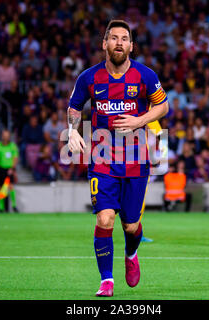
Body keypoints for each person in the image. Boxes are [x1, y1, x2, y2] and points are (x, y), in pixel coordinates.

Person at [67, 20, 169, 297]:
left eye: (125, 38)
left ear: (131, 46)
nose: (119, 43)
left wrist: (140, 120)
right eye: (114, 38)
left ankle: (132, 253)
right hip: (102, 158)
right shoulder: (88, 77)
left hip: (137, 160)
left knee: (131, 225)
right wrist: (72, 131)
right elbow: (74, 107)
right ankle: (106, 280)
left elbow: (163, 105)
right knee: (104, 219)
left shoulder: (145, 76)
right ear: (105, 44)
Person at [0, 130, 19, 213]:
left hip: (9, 169)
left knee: (10, 186)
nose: (6, 137)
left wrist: (12, 168)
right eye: (4, 135)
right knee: (1, 188)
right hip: (0, 169)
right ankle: (1, 207)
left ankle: (14, 206)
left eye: (7, 135)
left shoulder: (12, 146)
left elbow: (15, 157)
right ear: (2, 136)